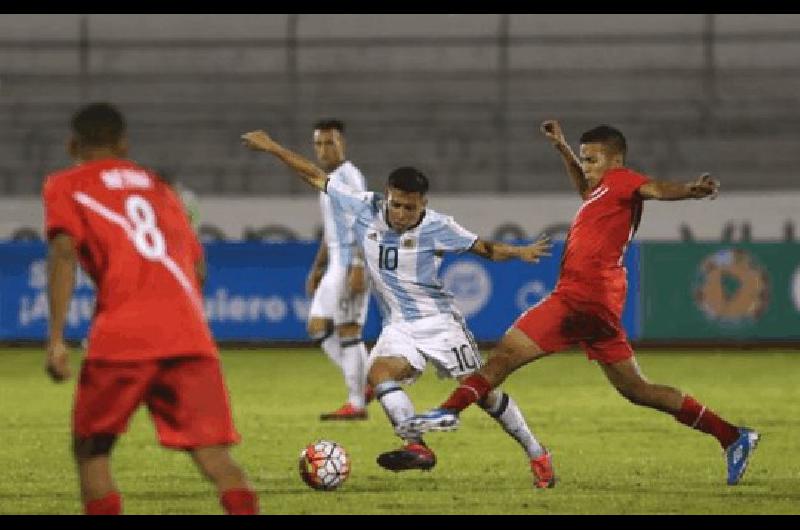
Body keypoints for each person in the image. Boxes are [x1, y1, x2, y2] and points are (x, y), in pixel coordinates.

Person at [402, 120, 760, 487]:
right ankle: (732, 436)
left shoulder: (623, 181)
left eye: (592, 159)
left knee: (505, 355)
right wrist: (562, 148)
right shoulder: (602, 190)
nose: (586, 167)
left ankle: (449, 410)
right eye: (584, 160)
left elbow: (655, 188)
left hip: (583, 296)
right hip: (594, 302)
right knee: (638, 390)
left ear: (614, 159)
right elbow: (585, 188)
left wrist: (690, 190)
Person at [242, 129, 556, 488]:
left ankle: (537, 453)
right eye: (396, 204)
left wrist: (519, 252)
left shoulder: (439, 226)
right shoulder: (364, 206)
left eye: (411, 207)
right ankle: (417, 447)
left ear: (423, 204)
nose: (402, 213)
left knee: (484, 394)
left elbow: (484, 248)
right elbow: (314, 176)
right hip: (399, 325)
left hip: (440, 324)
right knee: (377, 376)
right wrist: (272, 148)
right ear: (387, 196)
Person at [43, 102, 258, 515]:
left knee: (92, 450)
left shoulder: (66, 185)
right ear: (123, 143)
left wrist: (55, 340)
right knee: (216, 459)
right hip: (188, 336)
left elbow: (64, 252)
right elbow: (197, 267)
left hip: (122, 335)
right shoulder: (160, 187)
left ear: (73, 144)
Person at [305, 119, 373, 420]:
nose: (323, 149)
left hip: (350, 262)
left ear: (342, 143)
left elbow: (364, 219)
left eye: (329, 143)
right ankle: (366, 382)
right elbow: (331, 230)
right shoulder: (328, 180)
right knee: (318, 327)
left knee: (347, 330)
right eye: (318, 144)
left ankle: (356, 402)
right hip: (335, 263)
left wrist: (358, 264)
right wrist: (317, 267)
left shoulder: (349, 177)